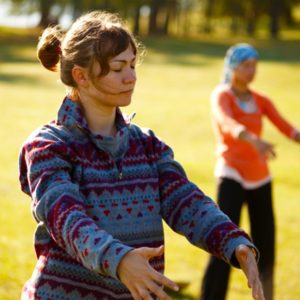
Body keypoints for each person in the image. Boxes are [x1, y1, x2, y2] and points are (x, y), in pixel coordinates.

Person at [19, 12, 264, 300]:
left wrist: (233, 242)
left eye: (133, 65)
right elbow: (67, 219)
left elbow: (186, 201)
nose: (131, 76)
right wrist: (119, 261)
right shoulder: (49, 146)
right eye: (118, 68)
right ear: (81, 76)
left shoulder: (147, 145)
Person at [200, 43, 300, 300]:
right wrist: (253, 139)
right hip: (231, 174)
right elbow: (227, 122)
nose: (252, 70)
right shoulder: (222, 95)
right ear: (233, 67)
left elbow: (286, 126)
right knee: (223, 241)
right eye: (246, 65)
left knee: (265, 245)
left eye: (255, 65)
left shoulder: (260, 99)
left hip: (260, 178)